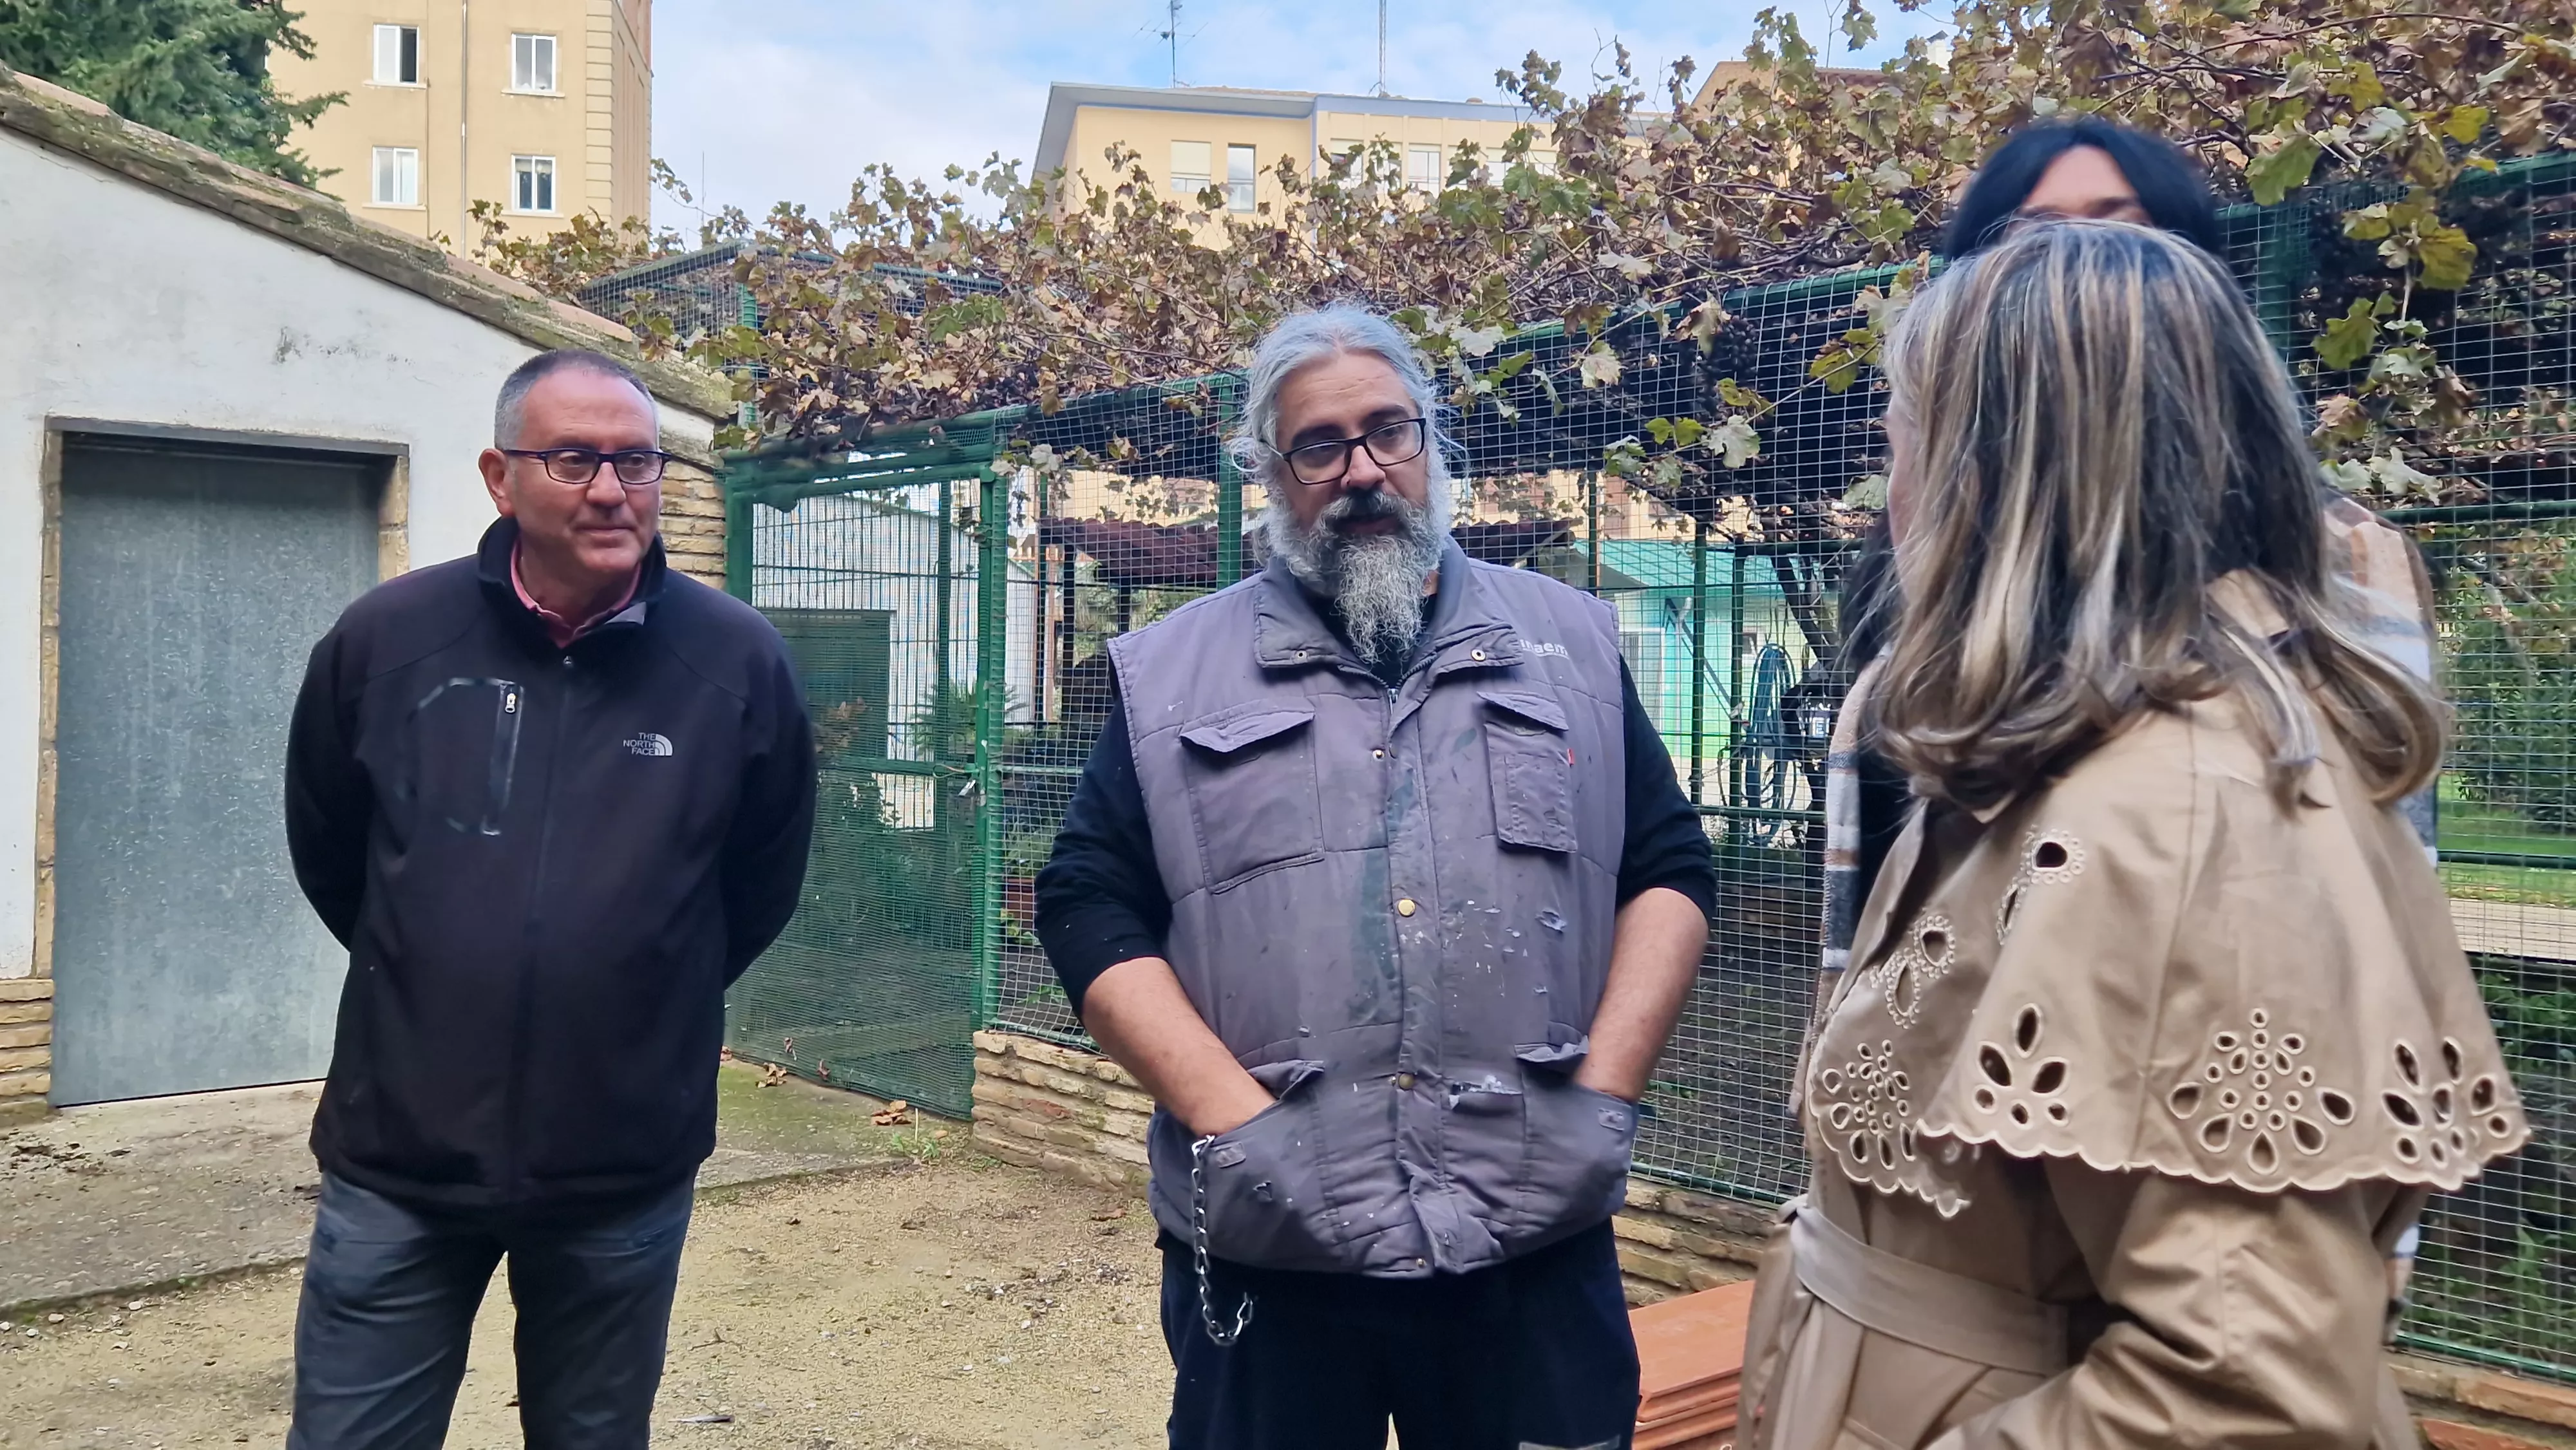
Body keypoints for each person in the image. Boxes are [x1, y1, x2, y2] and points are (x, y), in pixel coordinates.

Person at [1742, 220, 2525, 1450]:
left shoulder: (2194, 812)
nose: (1879, 490)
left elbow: (2249, 1394)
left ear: (1998, 474)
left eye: (1896, 434)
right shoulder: (2065, 755)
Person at [1034, 304, 1716, 1450]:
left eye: (1387, 432)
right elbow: (1088, 905)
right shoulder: (1170, 673)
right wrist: (1235, 1127)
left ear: (1430, 445)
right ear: (1271, 473)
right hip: (1274, 1234)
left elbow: (1667, 868)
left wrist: (1606, 1093)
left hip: (1529, 1223)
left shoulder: (1578, 647)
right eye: (1319, 446)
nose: (1361, 471)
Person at [281, 348, 818, 1447]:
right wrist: (435, 970)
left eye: (637, 460)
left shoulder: (738, 663)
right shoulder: (387, 643)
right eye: (574, 459)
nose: (613, 490)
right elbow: (335, 853)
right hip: (401, 1161)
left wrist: (634, 990)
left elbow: (757, 883)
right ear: (499, 475)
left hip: (621, 1165)